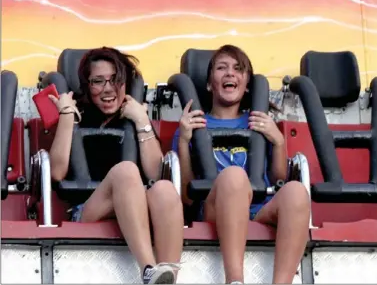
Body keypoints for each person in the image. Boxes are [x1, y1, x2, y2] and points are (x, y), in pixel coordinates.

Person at [172, 44, 310, 284]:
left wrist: (278, 142)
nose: (230, 73)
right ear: (208, 83)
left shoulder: (260, 122)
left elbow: (278, 180)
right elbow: (186, 197)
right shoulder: (192, 123)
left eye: (238, 69)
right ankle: (235, 280)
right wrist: (184, 141)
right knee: (234, 176)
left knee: (297, 192)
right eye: (221, 68)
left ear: (246, 85)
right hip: (217, 207)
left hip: (258, 210)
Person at [49, 47, 183, 284]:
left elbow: (155, 173)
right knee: (126, 170)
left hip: (136, 206)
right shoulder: (76, 114)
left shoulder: (134, 116)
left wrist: (141, 120)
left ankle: (169, 275)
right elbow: (57, 172)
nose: (108, 89)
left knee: (165, 189)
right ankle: (148, 270)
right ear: (87, 86)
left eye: (115, 80)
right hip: (89, 208)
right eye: (98, 81)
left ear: (126, 83)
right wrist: (67, 115)